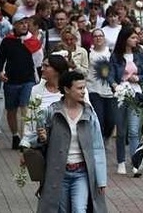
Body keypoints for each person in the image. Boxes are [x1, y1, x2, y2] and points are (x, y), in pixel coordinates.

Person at [19, 71, 107, 212]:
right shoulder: (52, 112)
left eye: (84, 88)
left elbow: (98, 147)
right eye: (79, 88)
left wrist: (101, 179)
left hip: (82, 173)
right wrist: (41, 138)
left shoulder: (89, 114)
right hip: (58, 173)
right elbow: (35, 140)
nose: (83, 92)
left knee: (79, 209)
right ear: (66, 89)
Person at [108, 26, 143, 175]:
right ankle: (121, 161)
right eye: (133, 37)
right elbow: (110, 75)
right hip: (120, 95)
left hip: (135, 94)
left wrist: (138, 78)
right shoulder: (115, 56)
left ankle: (135, 162)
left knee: (134, 131)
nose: (136, 40)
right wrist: (115, 85)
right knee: (121, 131)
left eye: (136, 37)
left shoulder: (139, 53)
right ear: (125, 39)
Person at [0, 13, 41, 149]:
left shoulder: (33, 41)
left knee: (25, 108)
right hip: (11, 81)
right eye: (21, 23)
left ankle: (25, 138)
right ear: (14, 25)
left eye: (26, 23)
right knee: (11, 111)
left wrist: (40, 79)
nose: (24, 25)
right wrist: (0, 72)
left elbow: (39, 62)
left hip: (28, 80)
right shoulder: (7, 41)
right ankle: (15, 135)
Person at [87, 29, 116, 140]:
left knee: (111, 120)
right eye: (95, 36)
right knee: (98, 118)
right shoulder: (89, 53)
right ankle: (100, 143)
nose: (98, 38)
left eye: (100, 36)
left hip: (109, 90)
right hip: (93, 89)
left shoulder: (110, 53)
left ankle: (105, 138)